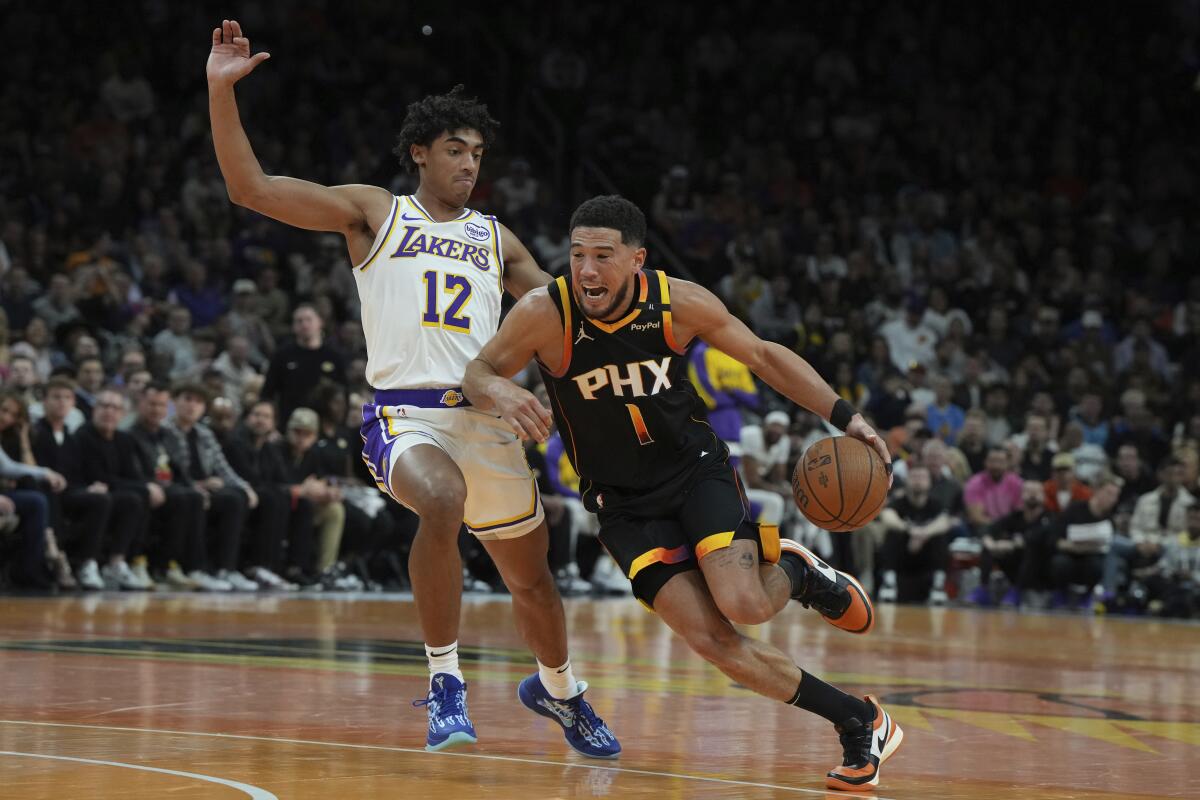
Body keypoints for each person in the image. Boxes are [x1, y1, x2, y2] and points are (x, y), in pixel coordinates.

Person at [207, 19, 616, 756]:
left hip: (487, 426)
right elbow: (251, 188)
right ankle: (444, 683)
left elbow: (564, 324)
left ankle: (562, 693)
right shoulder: (376, 212)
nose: (468, 163)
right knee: (443, 500)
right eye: (455, 149)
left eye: (478, 153)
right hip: (406, 418)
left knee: (534, 585)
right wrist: (220, 92)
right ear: (420, 152)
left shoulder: (498, 239)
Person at [463, 196, 902, 791]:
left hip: (694, 471)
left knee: (744, 603)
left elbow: (764, 357)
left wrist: (846, 417)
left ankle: (795, 571)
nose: (586, 270)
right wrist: (500, 392)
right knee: (712, 643)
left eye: (603, 257)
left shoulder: (678, 303)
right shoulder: (547, 312)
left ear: (637, 260)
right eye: (577, 255)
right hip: (619, 502)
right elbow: (478, 371)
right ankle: (859, 720)